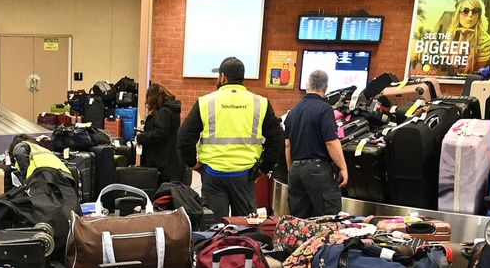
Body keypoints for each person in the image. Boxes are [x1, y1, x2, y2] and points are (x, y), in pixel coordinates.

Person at [177, 56, 283, 218]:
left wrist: (193, 164)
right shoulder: (260, 103)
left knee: (215, 227)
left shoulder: (205, 102)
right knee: (246, 227)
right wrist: (264, 168)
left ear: (223, 77)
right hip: (245, 176)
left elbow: (184, 137)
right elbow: (276, 138)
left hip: (213, 175)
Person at [284, 69, 347, 217]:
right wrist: (343, 167)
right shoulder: (324, 109)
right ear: (325, 88)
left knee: (300, 222)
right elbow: (331, 142)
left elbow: (288, 145)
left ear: (307, 86)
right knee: (328, 218)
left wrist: (291, 170)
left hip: (296, 170)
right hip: (317, 171)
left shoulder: (293, 111)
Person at [135, 82, 184, 184]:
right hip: (168, 162)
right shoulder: (171, 110)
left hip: (161, 163)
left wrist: (141, 137)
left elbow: (159, 133)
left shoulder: (164, 112)